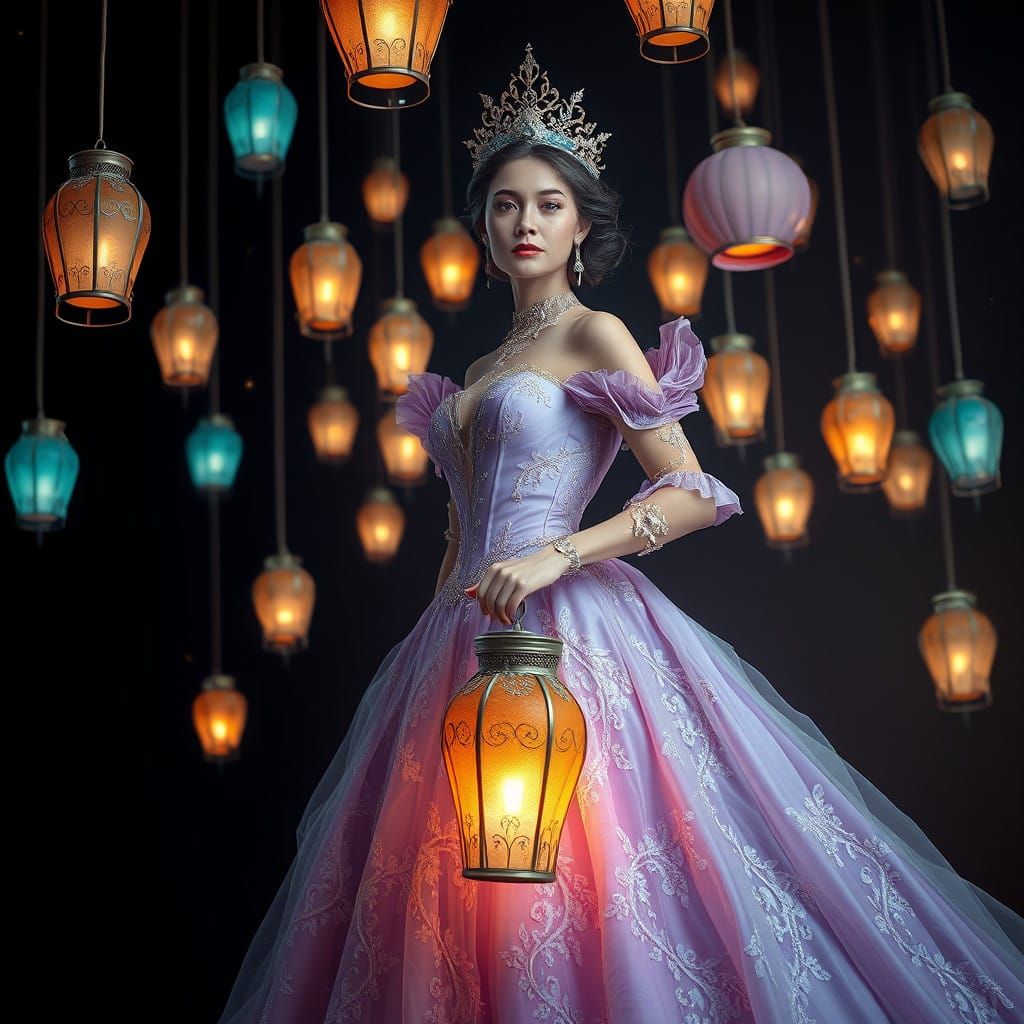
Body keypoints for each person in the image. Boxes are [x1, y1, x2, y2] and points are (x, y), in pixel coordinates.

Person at [218, 43, 1024, 1024]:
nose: (525, 222)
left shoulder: (595, 333)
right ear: (482, 221)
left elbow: (691, 490)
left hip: (572, 631)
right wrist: (440, 619)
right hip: (454, 642)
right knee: (448, 891)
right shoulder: (476, 365)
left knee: (589, 872)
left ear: (579, 224)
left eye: (548, 204)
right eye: (507, 203)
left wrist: (558, 553)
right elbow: (456, 528)